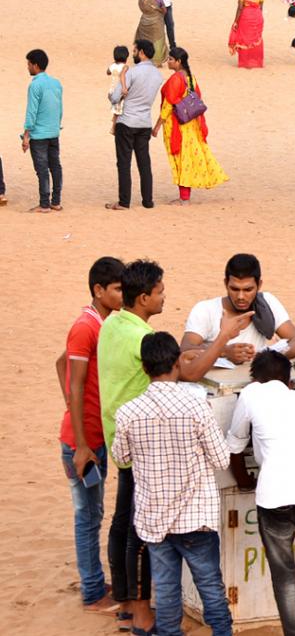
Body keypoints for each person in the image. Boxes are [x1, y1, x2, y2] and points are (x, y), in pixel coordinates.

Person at [111, 331, 233, 636]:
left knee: (165, 591)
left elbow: (121, 456)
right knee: (210, 588)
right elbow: (221, 459)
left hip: (154, 519)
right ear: (178, 363)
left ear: (144, 368)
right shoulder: (195, 407)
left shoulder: (128, 412)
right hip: (195, 518)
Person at [225, 350, 295, 636]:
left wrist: (244, 479)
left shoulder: (250, 394)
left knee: (285, 576)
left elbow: (235, 443)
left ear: (254, 378)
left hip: (274, 495)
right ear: (288, 380)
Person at [98, 259, 166, 635]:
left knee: (122, 522)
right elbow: (180, 372)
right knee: (140, 532)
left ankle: (126, 606)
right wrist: (222, 339)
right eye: (159, 292)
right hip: (140, 445)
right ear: (144, 297)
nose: (164, 297)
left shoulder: (112, 322)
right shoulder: (139, 337)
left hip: (117, 437)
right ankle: (142, 616)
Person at [55, 256, 125, 613]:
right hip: (83, 441)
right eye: (116, 288)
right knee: (88, 516)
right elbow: (76, 377)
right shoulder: (87, 327)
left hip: (90, 435)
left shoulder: (98, 323)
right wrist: (81, 441)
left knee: (93, 514)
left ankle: (94, 582)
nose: (121, 294)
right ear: (99, 290)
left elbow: (61, 363)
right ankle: (93, 591)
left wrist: (71, 404)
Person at [179, 252, 295, 380]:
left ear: (259, 285)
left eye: (248, 290)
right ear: (225, 284)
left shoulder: (268, 303)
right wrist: (224, 351)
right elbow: (186, 348)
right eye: (234, 289)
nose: (240, 297)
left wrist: (268, 358)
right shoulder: (205, 309)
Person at [151, 46, 228, 206]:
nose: (168, 62)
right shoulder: (191, 78)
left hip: (177, 126)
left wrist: (157, 126)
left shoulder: (175, 79)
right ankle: (185, 196)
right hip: (191, 124)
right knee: (189, 157)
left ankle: (184, 197)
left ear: (178, 62)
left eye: (171, 59)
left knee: (180, 158)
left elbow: (168, 105)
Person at [107, 40, 164, 212]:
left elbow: (115, 97)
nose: (133, 53)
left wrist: (114, 95)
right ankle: (148, 200)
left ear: (142, 53)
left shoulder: (132, 72)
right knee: (144, 162)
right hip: (144, 122)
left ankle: (124, 202)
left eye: (135, 50)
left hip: (127, 121)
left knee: (124, 163)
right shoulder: (157, 75)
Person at [22, 48, 63, 214]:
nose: (27, 67)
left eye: (29, 64)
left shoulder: (35, 85)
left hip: (39, 135)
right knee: (55, 166)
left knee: (42, 169)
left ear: (35, 65)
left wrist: (26, 135)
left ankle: (44, 204)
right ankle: (56, 201)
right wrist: (56, 125)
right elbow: (59, 109)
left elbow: (31, 112)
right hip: (53, 132)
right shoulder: (56, 83)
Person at [228, 0, 265, 69]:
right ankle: (256, 62)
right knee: (256, 39)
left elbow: (240, 8)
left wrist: (235, 21)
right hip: (258, 17)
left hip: (246, 17)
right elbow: (261, 8)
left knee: (245, 39)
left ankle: (245, 62)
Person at [135, 0, 168, 66]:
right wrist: (158, 10)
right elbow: (164, 11)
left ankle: (143, 58)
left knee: (145, 41)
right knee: (157, 41)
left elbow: (142, 9)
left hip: (144, 22)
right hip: (156, 23)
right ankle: (157, 61)